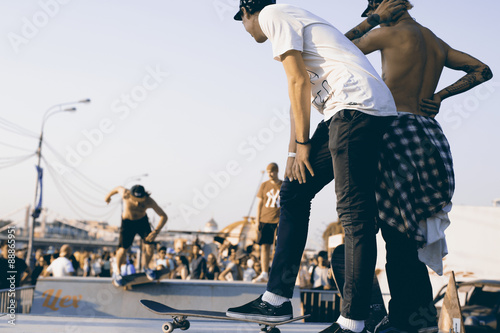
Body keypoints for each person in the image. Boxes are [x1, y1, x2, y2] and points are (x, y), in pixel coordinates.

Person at [227, 0, 400, 326]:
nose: (247, 29)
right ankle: (276, 299)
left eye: (242, 21)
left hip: (357, 109)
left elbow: (298, 83)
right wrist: (294, 154)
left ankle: (353, 321)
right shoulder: (296, 24)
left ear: (248, 12)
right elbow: (299, 96)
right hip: (342, 112)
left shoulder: (271, 15)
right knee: (294, 192)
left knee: (353, 214)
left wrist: (304, 145)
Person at [338, 1, 493, 332]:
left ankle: (404, 318)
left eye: (374, 9)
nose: (371, 16)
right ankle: (419, 314)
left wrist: (371, 24)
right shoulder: (435, 41)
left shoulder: (387, 34)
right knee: (409, 234)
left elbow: (337, 48)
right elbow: (483, 70)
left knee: (394, 231)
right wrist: (440, 95)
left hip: (395, 131)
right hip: (430, 138)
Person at [105, 184, 168, 286]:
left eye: (140, 200)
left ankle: (146, 267)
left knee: (150, 246)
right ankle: (118, 273)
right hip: (127, 223)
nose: (137, 203)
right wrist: (108, 196)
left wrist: (156, 231)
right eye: (134, 200)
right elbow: (117, 188)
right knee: (122, 249)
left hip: (142, 222)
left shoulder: (149, 201)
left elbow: (164, 216)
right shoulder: (125, 193)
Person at [252, 162, 282, 283]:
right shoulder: (264, 185)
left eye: (272, 171)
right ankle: (264, 273)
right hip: (265, 219)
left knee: (277, 248)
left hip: (278, 220)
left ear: (277, 171)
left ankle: (275, 273)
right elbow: (259, 203)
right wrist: (257, 220)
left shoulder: (283, 185)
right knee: (264, 247)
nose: (270, 174)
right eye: (268, 171)